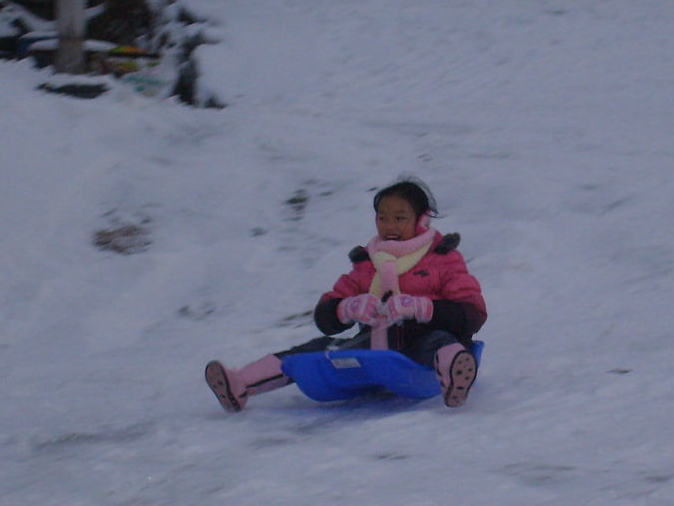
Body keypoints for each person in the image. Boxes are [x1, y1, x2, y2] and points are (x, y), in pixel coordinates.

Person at [204, 176, 487, 411]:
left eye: (400, 218)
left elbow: (472, 314)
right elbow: (325, 313)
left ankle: (454, 376)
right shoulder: (368, 262)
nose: (389, 226)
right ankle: (238, 384)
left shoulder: (441, 257)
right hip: (375, 346)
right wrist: (346, 308)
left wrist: (424, 308)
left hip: (421, 345)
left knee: (438, 342)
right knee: (316, 349)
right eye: (382, 218)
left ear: (422, 221)